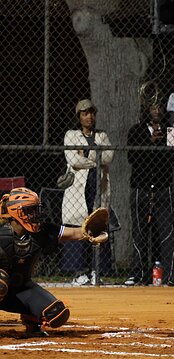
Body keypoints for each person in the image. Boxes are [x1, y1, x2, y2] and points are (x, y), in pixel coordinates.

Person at [0, 187, 106, 337]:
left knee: (57, 314)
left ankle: (32, 321)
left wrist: (90, 233)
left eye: (36, 210)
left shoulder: (42, 232)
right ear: (15, 212)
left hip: (21, 288)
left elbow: (75, 233)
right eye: (29, 210)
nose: (35, 215)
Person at [125, 103, 174, 286]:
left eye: (159, 108)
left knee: (167, 232)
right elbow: (132, 158)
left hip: (162, 186)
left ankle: (172, 275)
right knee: (139, 233)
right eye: (153, 108)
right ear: (146, 110)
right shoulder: (136, 131)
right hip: (141, 186)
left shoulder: (170, 131)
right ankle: (138, 275)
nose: (156, 111)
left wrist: (162, 144)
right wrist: (149, 143)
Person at [61, 99, 114, 283]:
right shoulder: (71, 135)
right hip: (78, 188)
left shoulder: (102, 135)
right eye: (84, 114)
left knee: (97, 224)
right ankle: (79, 273)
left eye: (91, 113)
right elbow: (73, 160)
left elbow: (108, 156)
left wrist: (86, 154)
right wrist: (96, 158)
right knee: (77, 226)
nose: (89, 117)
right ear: (79, 117)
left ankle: (97, 271)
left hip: (97, 184)